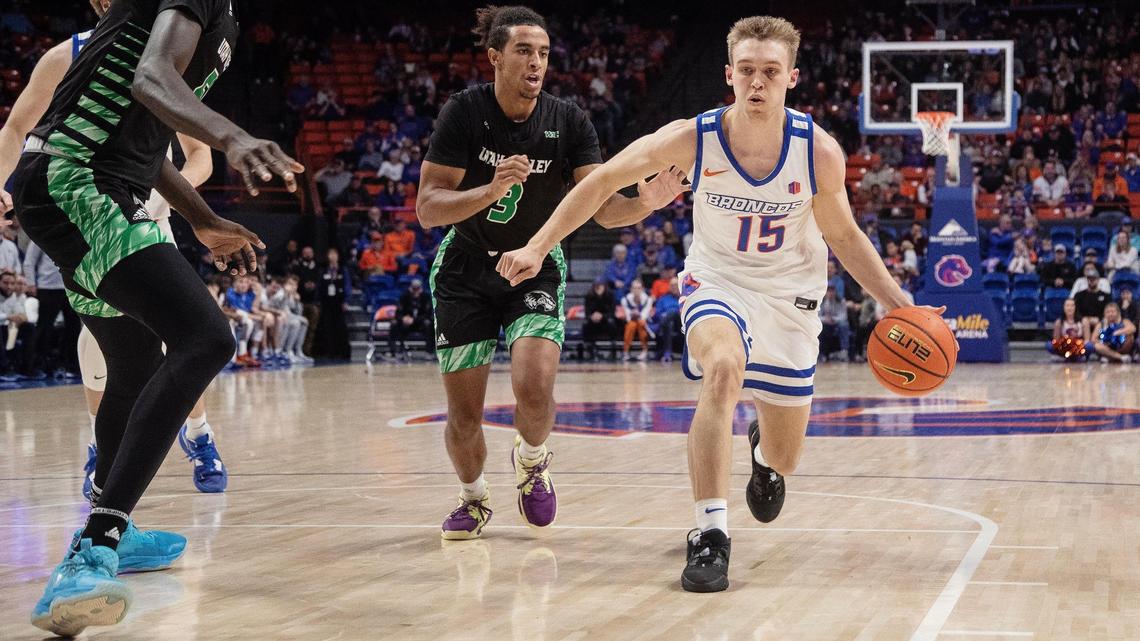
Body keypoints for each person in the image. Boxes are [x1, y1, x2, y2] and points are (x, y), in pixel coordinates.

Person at [497, 15, 941, 592]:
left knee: (784, 460)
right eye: (748, 71)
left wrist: (897, 302)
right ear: (730, 75)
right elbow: (601, 181)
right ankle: (709, 533)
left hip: (789, 297)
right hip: (717, 280)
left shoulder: (818, 153)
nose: (758, 83)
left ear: (792, 78)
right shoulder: (693, 137)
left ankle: (765, 455)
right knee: (723, 369)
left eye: (771, 72)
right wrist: (537, 244)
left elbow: (845, 236)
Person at [7, 0, 302, 633]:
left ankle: (116, 522)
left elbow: (146, 139)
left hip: (87, 186)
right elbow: (150, 81)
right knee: (205, 339)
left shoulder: (215, 16)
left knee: (136, 361)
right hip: (76, 182)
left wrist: (202, 220)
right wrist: (232, 135)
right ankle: (92, 550)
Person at [416, 5, 683, 541]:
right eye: (523, 51)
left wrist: (646, 202)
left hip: (534, 266)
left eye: (543, 53)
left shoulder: (569, 121)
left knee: (533, 388)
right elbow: (427, 207)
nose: (536, 62)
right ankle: (473, 499)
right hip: (465, 269)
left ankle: (532, 462)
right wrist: (487, 191)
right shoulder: (463, 113)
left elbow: (603, 208)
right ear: (495, 56)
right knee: (463, 415)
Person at [389, 277, 434, 358]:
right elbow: (398, 312)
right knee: (394, 325)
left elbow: (428, 314)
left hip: (420, 323)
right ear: (410, 288)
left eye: (418, 289)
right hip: (406, 323)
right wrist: (403, 318)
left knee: (429, 324)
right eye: (414, 289)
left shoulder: (426, 297)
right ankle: (396, 351)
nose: (416, 291)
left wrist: (415, 319)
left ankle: (429, 352)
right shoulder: (404, 296)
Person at [581, 278, 618, 360]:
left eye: (600, 286)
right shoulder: (589, 296)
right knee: (585, 325)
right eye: (596, 286)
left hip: (605, 321)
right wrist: (592, 316)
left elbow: (612, 313)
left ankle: (613, 350)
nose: (598, 288)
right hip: (593, 322)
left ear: (605, 286)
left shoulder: (610, 296)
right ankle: (589, 351)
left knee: (612, 324)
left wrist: (602, 316)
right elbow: (587, 313)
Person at [620, 279, 654, 361]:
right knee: (631, 325)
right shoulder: (625, 300)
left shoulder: (648, 300)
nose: (636, 290)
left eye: (638, 288)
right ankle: (626, 351)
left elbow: (645, 315)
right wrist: (632, 314)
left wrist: (638, 315)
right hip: (631, 321)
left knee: (641, 323)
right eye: (634, 288)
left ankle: (645, 350)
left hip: (644, 322)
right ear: (631, 289)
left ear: (642, 289)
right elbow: (627, 316)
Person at [652, 276, 682, 361]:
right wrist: (663, 316)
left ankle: (667, 352)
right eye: (672, 285)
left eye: (675, 284)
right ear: (669, 286)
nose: (674, 287)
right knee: (668, 322)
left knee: (672, 314)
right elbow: (656, 314)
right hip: (666, 324)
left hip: (680, 324)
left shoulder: (684, 298)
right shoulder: (663, 299)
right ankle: (668, 352)